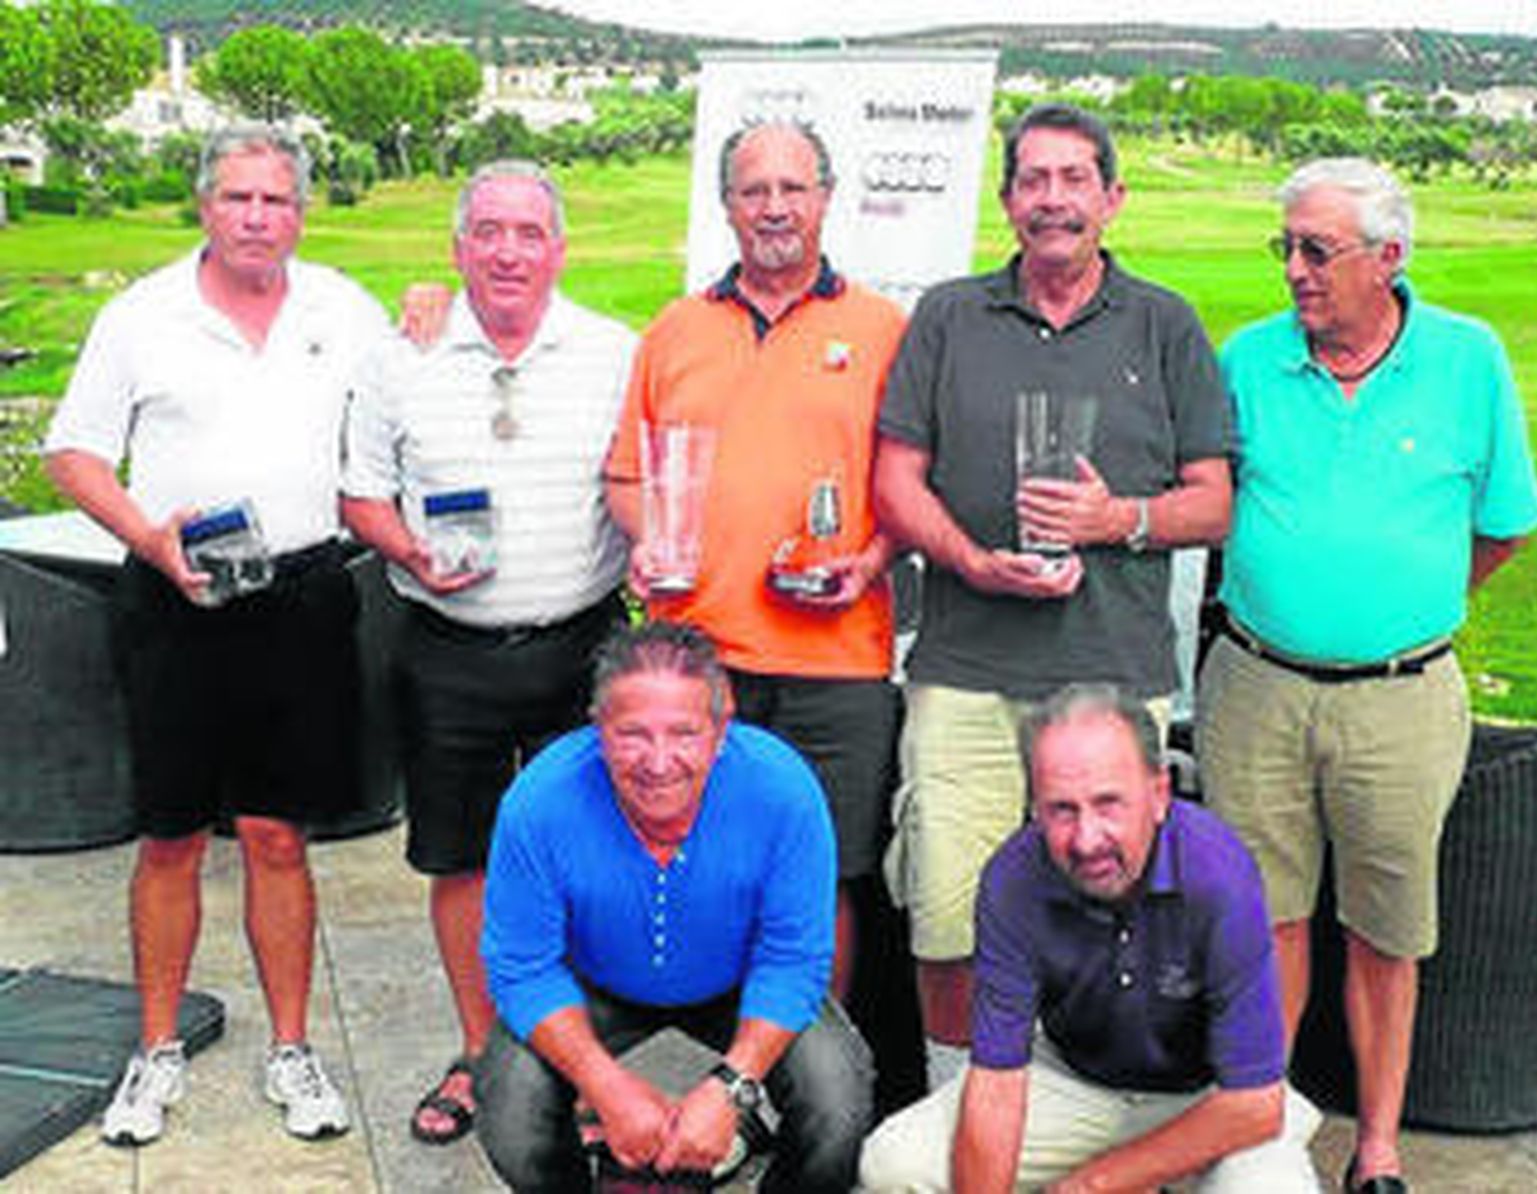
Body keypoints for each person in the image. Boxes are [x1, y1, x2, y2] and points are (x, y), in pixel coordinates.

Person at [1196, 157, 1537, 1194]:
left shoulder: (1467, 362)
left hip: (1402, 696)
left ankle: (1378, 1147)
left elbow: (1501, 530)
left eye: (1316, 250)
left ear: (1387, 258)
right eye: (1286, 249)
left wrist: (1404, 608)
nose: (1295, 272)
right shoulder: (1247, 361)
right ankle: (1264, 1139)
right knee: (1266, 922)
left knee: (1387, 929)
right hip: (1255, 685)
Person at [44, 123, 391, 1146]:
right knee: (170, 837)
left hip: (302, 596)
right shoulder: (140, 315)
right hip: (173, 597)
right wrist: (148, 539)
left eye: (275, 201)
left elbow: (404, 405)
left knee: (281, 837)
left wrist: (427, 315)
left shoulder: (343, 310)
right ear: (205, 205)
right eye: (237, 198)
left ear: (301, 212)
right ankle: (155, 1051)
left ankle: (292, 1048)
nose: (256, 218)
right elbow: (74, 453)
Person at [872, 102, 1232, 1080]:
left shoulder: (1164, 326)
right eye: (1033, 179)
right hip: (964, 675)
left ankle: (1096, 1108)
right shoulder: (949, 314)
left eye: (1074, 178)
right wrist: (967, 559)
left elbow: (1214, 504)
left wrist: (1114, 520)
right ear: (1006, 200)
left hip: (1113, 681)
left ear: (1111, 198)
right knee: (946, 911)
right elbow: (895, 480)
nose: (1053, 199)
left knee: (1113, 917)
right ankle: (958, 1112)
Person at [341, 160, 634, 1145]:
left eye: (529, 233)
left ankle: (579, 1063)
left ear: (559, 248)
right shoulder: (399, 355)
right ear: (459, 245)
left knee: (586, 859)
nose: (508, 251)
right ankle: (481, 1052)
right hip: (445, 650)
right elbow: (360, 495)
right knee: (460, 859)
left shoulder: (613, 353)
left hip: (582, 649)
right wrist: (406, 548)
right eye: (488, 232)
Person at [603, 123, 906, 1016]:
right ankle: (722, 1066)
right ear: (726, 204)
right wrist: (649, 530)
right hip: (697, 659)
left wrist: (877, 555)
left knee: (826, 879)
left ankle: (820, 1072)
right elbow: (626, 477)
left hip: (837, 660)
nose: (774, 207)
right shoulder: (673, 330)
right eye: (754, 189)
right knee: (700, 869)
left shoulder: (885, 329)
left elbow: (911, 487)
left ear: (825, 195)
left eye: (793, 187)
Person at [858, 685, 1320, 1193]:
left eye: (1108, 804)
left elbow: (1254, 1103)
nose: (1086, 838)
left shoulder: (1220, 872)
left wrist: (1090, 1185)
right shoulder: (1012, 877)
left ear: (1160, 794)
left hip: (1205, 1095)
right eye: (1062, 809)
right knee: (894, 1163)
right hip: (1072, 1077)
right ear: (1034, 807)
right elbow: (996, 1086)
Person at [474, 620, 874, 1191]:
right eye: (632, 734)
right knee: (510, 1100)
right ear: (598, 727)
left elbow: (793, 959)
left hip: (743, 981)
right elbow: (521, 966)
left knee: (837, 1092)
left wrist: (732, 1088)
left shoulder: (782, 788)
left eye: (684, 734)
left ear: (720, 728)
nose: (658, 762)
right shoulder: (539, 801)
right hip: (594, 982)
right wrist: (606, 1088)